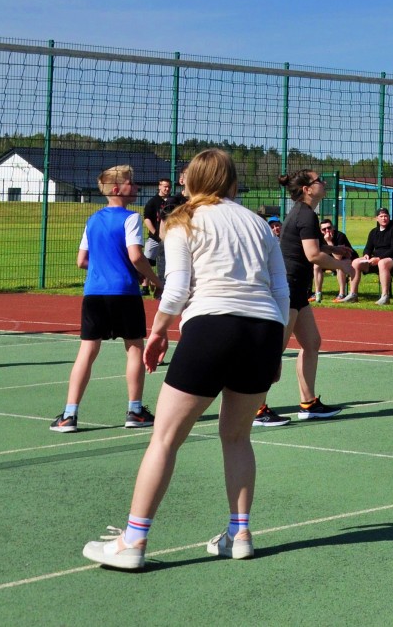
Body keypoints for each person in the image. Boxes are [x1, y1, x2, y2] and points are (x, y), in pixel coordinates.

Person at [80, 149, 289, 570]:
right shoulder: (258, 223)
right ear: (231, 181)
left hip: (212, 325)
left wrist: (158, 332)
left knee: (165, 438)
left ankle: (133, 541)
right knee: (238, 437)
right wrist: (277, 348)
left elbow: (176, 289)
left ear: (191, 181)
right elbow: (280, 290)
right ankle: (240, 534)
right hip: (264, 330)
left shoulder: (183, 219)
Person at [51, 164, 161, 433]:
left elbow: (81, 261)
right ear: (116, 189)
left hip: (94, 294)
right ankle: (135, 411)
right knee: (134, 348)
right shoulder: (131, 218)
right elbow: (136, 256)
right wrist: (155, 279)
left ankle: (69, 415)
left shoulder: (93, 219)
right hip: (124, 293)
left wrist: (107, 266)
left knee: (87, 352)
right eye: (131, 183)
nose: (136, 187)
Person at [256, 169, 350, 427]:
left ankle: (308, 404)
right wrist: (343, 266)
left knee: (311, 342)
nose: (324, 183)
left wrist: (333, 248)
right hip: (287, 288)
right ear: (308, 189)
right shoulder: (305, 214)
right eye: (319, 180)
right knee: (273, 350)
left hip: (297, 289)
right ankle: (256, 408)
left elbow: (311, 245)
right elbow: (312, 255)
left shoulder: (306, 213)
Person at [350, 208, 393, 305]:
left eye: (386, 216)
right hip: (375, 260)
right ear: (377, 218)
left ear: (389, 217)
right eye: (381, 216)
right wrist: (366, 255)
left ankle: (385, 296)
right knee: (356, 262)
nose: (384, 218)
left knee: (382, 263)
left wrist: (379, 258)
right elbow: (368, 247)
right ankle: (353, 294)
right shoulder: (373, 232)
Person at [317, 217, 356, 302]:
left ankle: (342, 294)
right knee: (316, 265)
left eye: (329, 228)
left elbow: (338, 257)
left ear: (333, 228)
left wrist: (329, 241)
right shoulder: (319, 238)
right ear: (321, 231)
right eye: (324, 229)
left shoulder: (340, 236)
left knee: (340, 264)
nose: (327, 230)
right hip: (331, 261)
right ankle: (318, 293)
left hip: (348, 260)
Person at [141, 178, 172, 279]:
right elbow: (147, 219)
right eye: (165, 186)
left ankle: (161, 283)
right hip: (154, 238)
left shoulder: (173, 201)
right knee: (147, 263)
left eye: (169, 187)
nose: (167, 189)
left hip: (169, 238)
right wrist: (155, 233)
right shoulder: (153, 202)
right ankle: (145, 285)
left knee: (165, 263)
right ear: (159, 186)